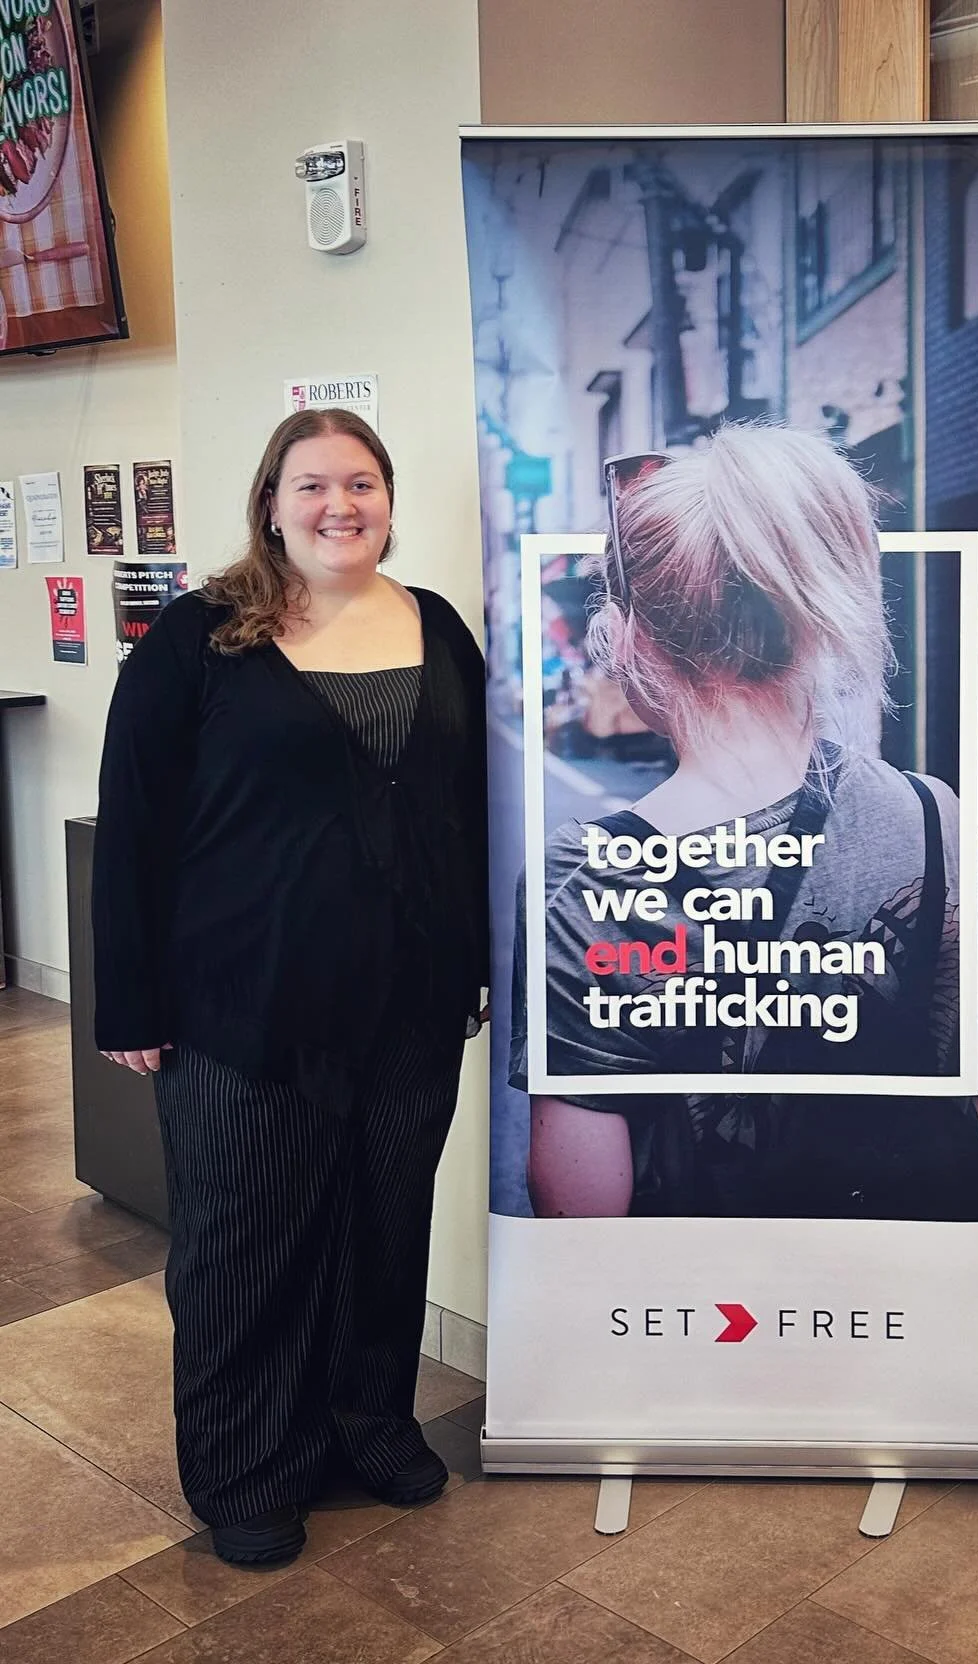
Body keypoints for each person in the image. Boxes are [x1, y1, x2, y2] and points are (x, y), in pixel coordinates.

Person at [92, 409, 490, 1567]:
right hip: (242, 1010)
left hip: (410, 1006)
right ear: (271, 500)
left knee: (379, 1228)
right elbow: (136, 830)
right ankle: (247, 1470)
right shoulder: (196, 638)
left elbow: (469, 811)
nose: (339, 506)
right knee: (245, 1246)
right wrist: (131, 1002)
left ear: (388, 497)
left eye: (361, 483)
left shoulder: (438, 629)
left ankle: (365, 1427)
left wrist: (478, 962)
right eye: (313, 485)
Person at [516, 422, 978, 1221]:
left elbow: (582, 1212)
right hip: (915, 1301)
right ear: (812, 616)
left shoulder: (587, 879)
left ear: (636, 637)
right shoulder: (938, 820)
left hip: (701, 1311)